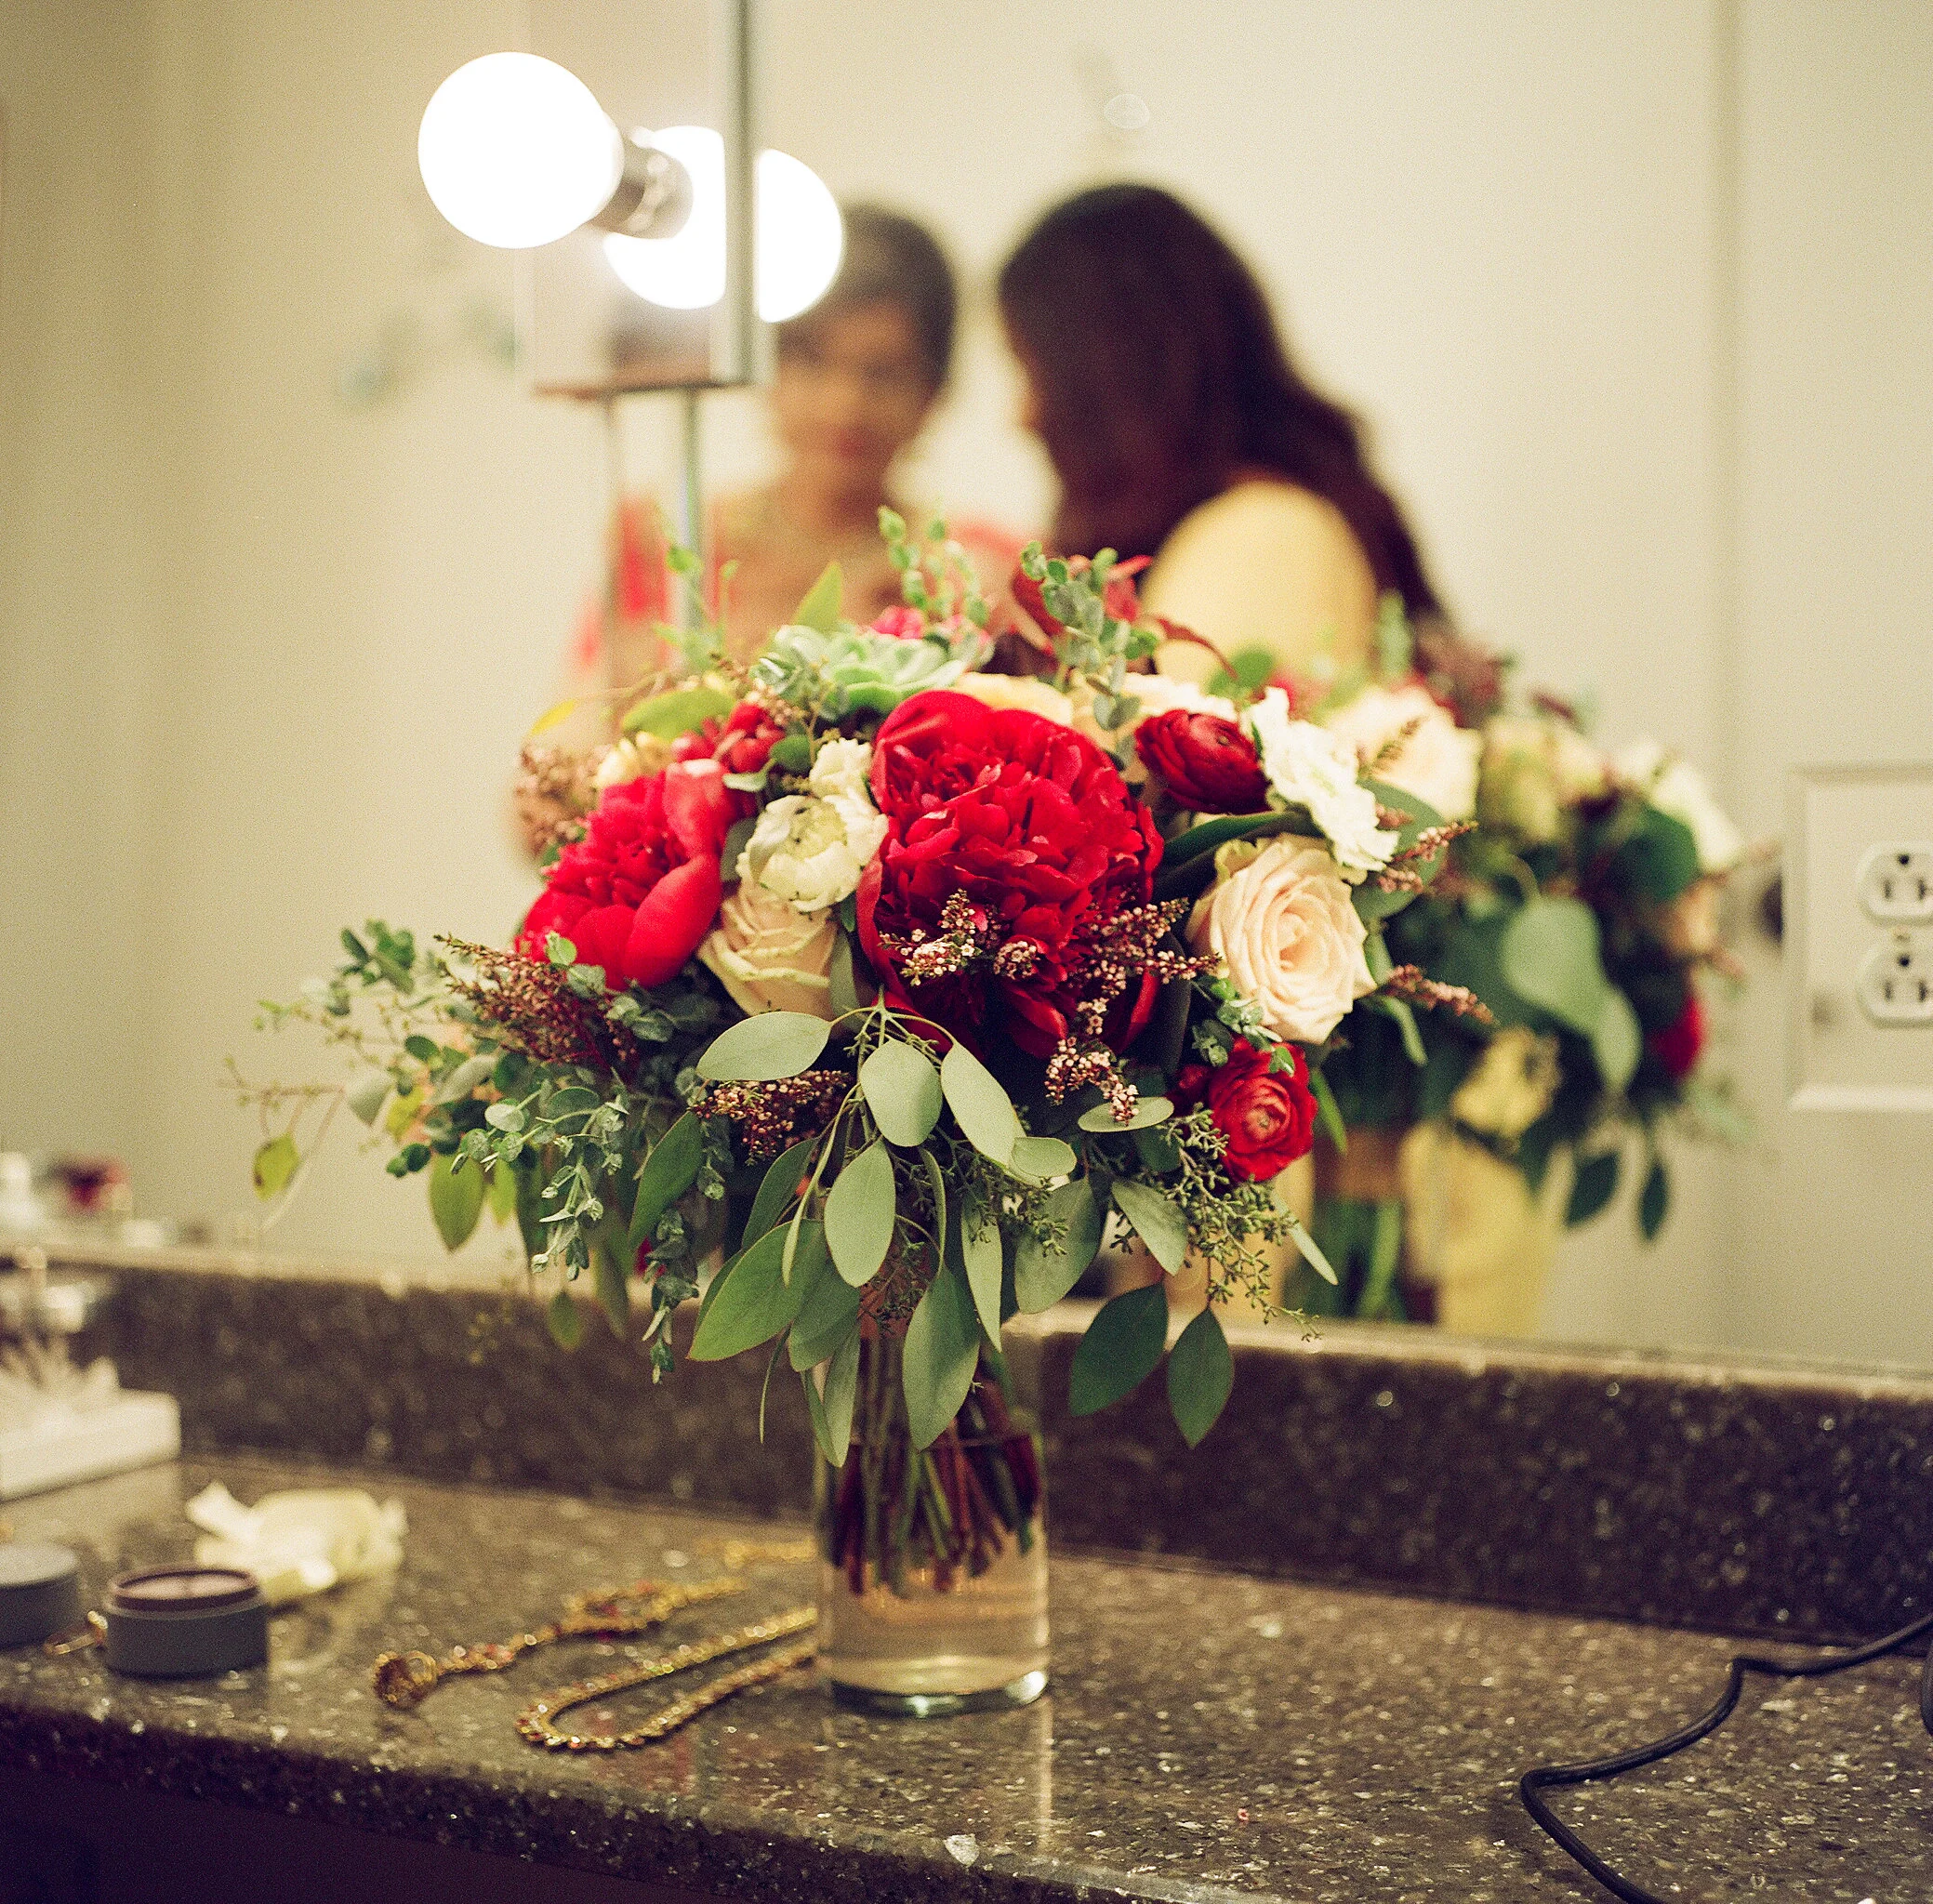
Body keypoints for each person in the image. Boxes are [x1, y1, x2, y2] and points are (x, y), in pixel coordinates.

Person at [997, 182, 1443, 689]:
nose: (1023, 417)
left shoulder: (1265, 532)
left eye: (1031, 369)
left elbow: (1137, 747)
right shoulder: (1250, 522)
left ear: (1113, 373)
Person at [572, 205, 1021, 700]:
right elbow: (579, 741)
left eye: (884, 373)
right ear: (762, 365)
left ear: (934, 391)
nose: (844, 405)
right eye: (813, 363)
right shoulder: (666, 541)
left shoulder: (978, 567)